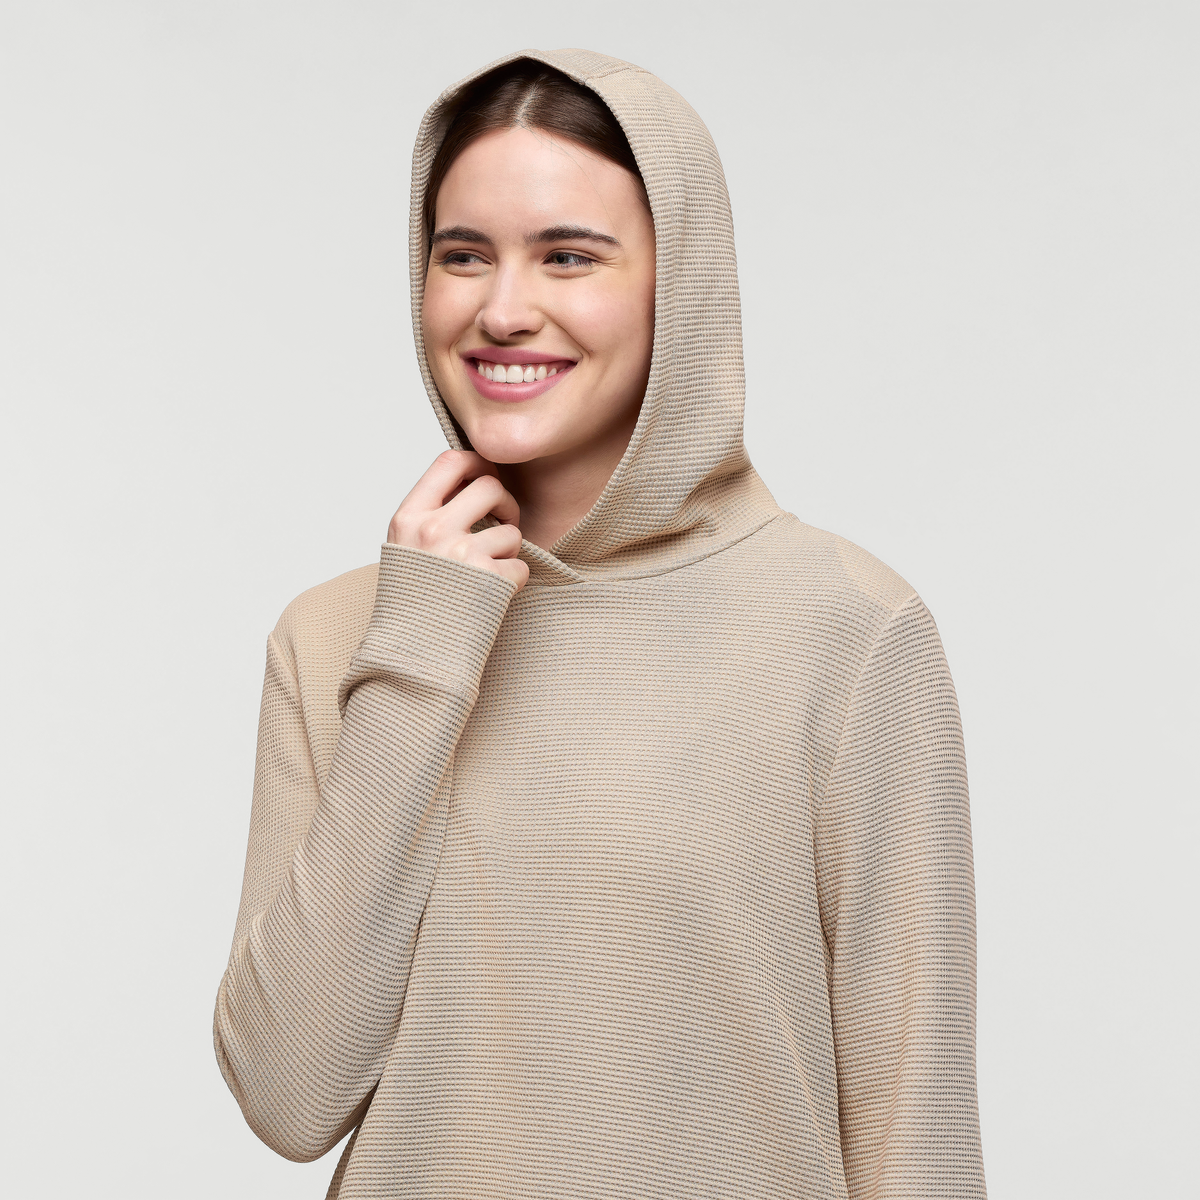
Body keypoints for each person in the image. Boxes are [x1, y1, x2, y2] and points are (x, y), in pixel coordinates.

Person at [214, 48, 987, 1200]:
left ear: (683, 285)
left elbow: (913, 1127)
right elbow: (288, 1098)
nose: (502, 309)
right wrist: (421, 656)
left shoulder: (848, 632)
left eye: (568, 255)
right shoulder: (341, 637)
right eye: (462, 255)